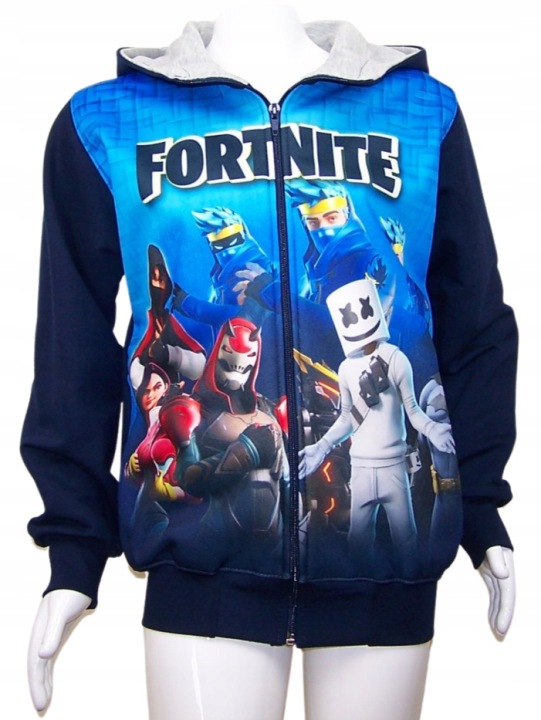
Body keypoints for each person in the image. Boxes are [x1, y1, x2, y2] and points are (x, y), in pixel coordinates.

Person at [24, 6, 517, 720]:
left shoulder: (420, 114)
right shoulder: (107, 121)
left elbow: (472, 322)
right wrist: (74, 547)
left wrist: (478, 509)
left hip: (385, 569)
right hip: (200, 567)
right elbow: (72, 346)